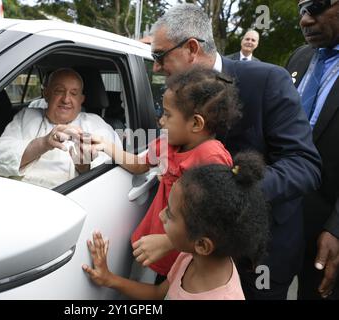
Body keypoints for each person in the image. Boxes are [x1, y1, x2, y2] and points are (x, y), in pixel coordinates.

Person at [148, 3, 322, 299]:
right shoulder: (175, 94)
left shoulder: (267, 80)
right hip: (191, 255)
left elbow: (304, 165)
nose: (155, 68)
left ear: (191, 48)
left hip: (260, 260)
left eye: (159, 56)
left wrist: (227, 191)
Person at [92, 66, 240, 283]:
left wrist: (168, 242)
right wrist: (107, 146)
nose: (161, 121)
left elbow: (217, 220)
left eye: (168, 115)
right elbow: (139, 164)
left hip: (185, 254)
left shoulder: (211, 157)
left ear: (196, 123)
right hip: (155, 241)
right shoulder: (167, 144)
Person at [82, 152, 270, 300]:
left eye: (170, 213)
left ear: (202, 245)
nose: (161, 215)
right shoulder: (189, 258)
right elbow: (159, 294)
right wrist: (109, 278)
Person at [0, 68, 121, 189]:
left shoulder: (96, 124)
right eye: (59, 91)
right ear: (46, 94)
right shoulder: (26, 116)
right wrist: (42, 144)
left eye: (74, 93)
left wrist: (84, 167)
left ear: (81, 99)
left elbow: (112, 174)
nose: (66, 99)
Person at [286, 0, 339, 300]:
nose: (305, 20)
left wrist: (337, 229)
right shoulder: (299, 57)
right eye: (301, 10)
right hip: (280, 221)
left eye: (316, 6)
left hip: (327, 231)